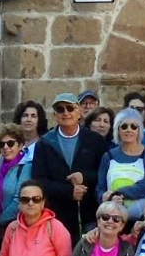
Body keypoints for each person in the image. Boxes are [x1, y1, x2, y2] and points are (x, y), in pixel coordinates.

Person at [32, 93, 109, 242]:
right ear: (55, 114)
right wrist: (69, 192)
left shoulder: (94, 140)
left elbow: (104, 173)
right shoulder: (45, 143)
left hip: (89, 213)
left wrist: (84, 177)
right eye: (60, 109)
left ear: (79, 111)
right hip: (57, 214)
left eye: (70, 108)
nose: (66, 113)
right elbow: (39, 180)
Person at [97, 109, 145, 221]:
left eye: (133, 126)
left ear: (139, 130)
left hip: (144, 221)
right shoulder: (108, 156)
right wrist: (104, 196)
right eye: (124, 126)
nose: (129, 130)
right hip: (113, 221)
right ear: (117, 130)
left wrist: (118, 193)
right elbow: (100, 188)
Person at [0, 124, 33, 256]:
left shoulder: (26, 167)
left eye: (10, 143)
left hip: (13, 228)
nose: (6, 147)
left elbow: (18, 201)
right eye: (2, 144)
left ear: (20, 145)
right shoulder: (2, 164)